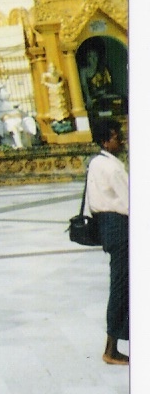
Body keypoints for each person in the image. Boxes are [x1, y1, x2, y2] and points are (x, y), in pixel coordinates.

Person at [84, 117, 128, 365]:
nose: (120, 140)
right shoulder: (113, 168)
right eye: (115, 136)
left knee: (123, 284)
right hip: (120, 227)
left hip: (107, 227)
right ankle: (111, 349)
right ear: (104, 141)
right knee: (122, 286)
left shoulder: (95, 163)